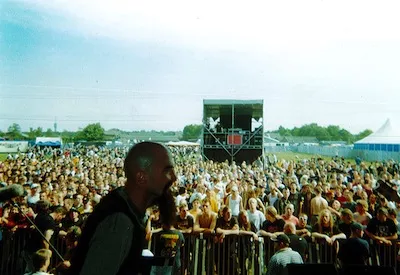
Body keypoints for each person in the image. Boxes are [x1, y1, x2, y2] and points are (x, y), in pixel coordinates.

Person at [69, 142, 177, 275]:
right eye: (167, 170)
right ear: (141, 178)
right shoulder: (118, 221)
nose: (174, 177)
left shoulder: (126, 211)